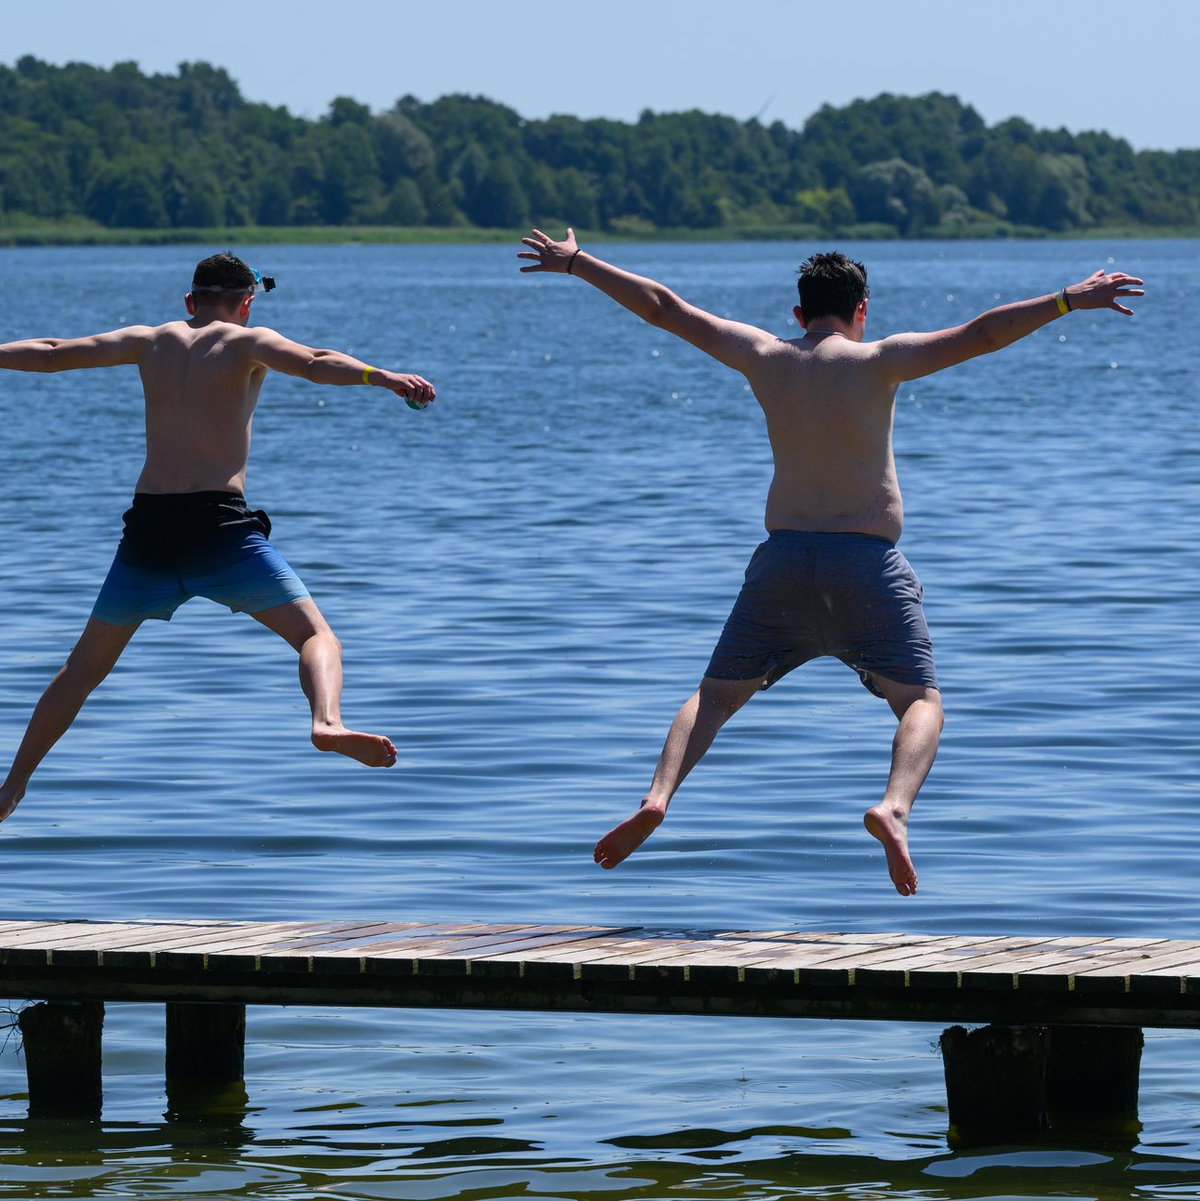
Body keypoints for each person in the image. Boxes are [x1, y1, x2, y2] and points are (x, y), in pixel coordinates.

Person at [519, 229, 1142, 895]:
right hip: (866, 566)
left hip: (783, 562)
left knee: (714, 697)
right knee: (921, 703)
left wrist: (579, 263)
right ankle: (893, 807)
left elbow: (665, 309)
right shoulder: (880, 358)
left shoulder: (763, 354)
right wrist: (1068, 300)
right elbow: (984, 333)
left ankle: (658, 795)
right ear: (862, 308)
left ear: (798, 315)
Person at [0, 252, 436, 826]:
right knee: (315, 636)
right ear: (246, 303)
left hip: (149, 532)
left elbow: (53, 353)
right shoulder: (247, 341)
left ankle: (12, 786)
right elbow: (314, 362)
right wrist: (381, 377)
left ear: (189, 301)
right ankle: (327, 722)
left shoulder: (148, 339)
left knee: (81, 671)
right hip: (219, 529)